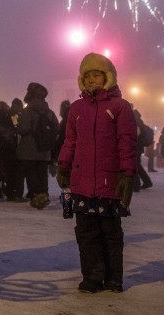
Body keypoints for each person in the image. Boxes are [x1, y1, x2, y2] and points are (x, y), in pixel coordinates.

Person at [56, 52, 137, 294]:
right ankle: (92, 276)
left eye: (97, 75)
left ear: (107, 77)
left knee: (111, 233)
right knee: (86, 232)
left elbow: (127, 141)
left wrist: (127, 174)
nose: (92, 80)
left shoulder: (120, 107)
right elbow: (70, 140)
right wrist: (63, 165)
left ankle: (114, 278)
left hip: (108, 181)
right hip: (82, 182)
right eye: (88, 76)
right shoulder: (77, 108)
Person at [15, 82, 59, 209]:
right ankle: (44, 194)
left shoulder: (27, 111)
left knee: (31, 173)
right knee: (42, 173)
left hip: (29, 149)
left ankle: (38, 196)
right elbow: (56, 128)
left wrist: (17, 128)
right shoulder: (49, 112)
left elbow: (24, 129)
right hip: (44, 149)